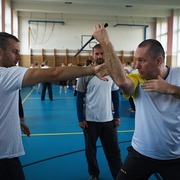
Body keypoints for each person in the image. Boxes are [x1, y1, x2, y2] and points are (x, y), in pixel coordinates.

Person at [0, 32, 107, 180]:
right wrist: (92, 70)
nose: (18, 57)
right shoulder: (5, 74)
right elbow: (55, 73)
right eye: (15, 52)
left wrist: (15, 122)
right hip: (4, 156)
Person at [92, 24, 180, 179]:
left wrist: (170, 89)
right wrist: (106, 43)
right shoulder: (137, 76)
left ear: (158, 60)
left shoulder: (178, 76)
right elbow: (121, 82)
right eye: (135, 60)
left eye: (142, 60)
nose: (136, 65)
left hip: (175, 156)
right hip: (141, 153)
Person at [76, 44, 122, 180]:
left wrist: (117, 115)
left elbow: (115, 95)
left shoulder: (112, 73)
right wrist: (80, 118)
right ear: (92, 55)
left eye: (102, 53)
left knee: (114, 151)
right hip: (90, 121)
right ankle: (94, 174)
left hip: (108, 120)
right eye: (97, 54)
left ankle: (118, 175)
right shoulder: (86, 74)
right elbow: (79, 97)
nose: (99, 56)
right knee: (91, 151)